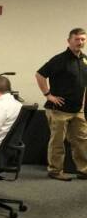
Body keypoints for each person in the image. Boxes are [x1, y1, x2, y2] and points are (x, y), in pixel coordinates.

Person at [35, 27, 87, 180]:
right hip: (58, 110)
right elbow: (39, 75)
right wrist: (48, 95)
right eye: (77, 39)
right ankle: (55, 171)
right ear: (69, 41)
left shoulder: (84, 60)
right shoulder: (59, 60)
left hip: (78, 110)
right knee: (57, 142)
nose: (80, 42)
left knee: (82, 141)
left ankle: (84, 170)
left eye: (83, 39)